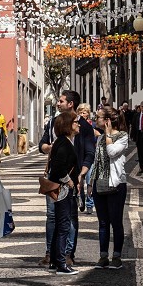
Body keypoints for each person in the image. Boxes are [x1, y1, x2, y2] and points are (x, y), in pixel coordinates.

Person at [38, 89, 95, 266]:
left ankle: (68, 253)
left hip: (73, 179)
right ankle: (51, 253)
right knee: (52, 215)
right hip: (54, 176)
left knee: (70, 217)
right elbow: (42, 145)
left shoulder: (83, 127)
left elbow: (89, 153)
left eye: (61, 101)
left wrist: (82, 176)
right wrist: (49, 148)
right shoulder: (54, 123)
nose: (58, 103)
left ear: (70, 104)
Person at [92, 108, 129, 267]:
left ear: (107, 120)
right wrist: (90, 183)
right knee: (102, 222)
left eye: (98, 117)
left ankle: (117, 256)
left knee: (116, 221)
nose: (95, 120)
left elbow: (112, 152)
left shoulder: (122, 136)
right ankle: (103, 256)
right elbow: (97, 161)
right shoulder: (99, 138)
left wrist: (107, 135)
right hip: (99, 183)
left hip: (116, 184)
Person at [46, 111, 80, 274]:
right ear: (67, 125)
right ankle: (60, 263)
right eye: (75, 122)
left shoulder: (62, 141)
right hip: (63, 190)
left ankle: (54, 260)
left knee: (61, 225)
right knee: (64, 225)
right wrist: (69, 180)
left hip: (61, 190)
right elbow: (58, 167)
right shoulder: (64, 143)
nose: (78, 124)